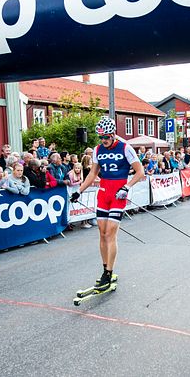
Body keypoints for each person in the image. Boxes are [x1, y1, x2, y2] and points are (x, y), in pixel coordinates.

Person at [70, 116, 144, 291]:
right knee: (102, 233)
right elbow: (92, 174)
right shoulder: (97, 150)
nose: (103, 140)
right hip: (103, 193)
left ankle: (109, 274)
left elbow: (140, 171)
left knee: (111, 233)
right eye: (101, 137)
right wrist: (79, 190)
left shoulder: (125, 148)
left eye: (106, 137)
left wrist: (127, 187)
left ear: (113, 134)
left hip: (118, 194)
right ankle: (105, 269)